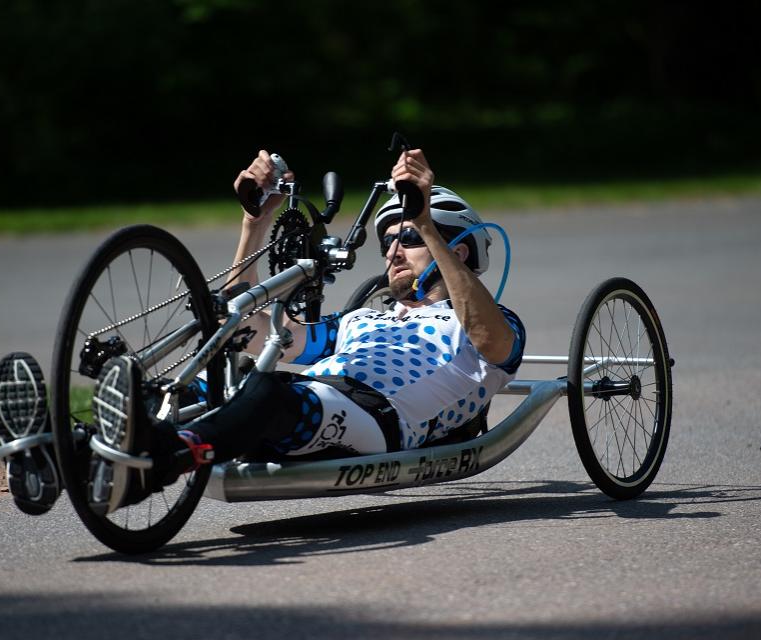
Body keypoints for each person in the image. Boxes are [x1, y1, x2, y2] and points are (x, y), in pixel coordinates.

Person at [88, 148, 526, 513]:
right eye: (386, 242)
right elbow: (246, 329)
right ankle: (63, 452)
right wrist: (254, 224)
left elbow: (491, 344)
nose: (391, 251)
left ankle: (160, 463)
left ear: (460, 250)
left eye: (406, 238)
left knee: (268, 389)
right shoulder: (362, 320)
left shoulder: (494, 324)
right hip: (306, 404)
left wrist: (425, 220)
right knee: (205, 386)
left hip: (378, 420)